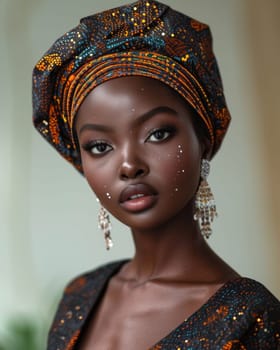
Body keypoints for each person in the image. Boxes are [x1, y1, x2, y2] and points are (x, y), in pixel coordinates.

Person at [32, 1, 280, 349]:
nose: (129, 165)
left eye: (158, 133)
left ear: (203, 140)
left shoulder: (251, 318)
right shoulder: (78, 296)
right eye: (100, 146)